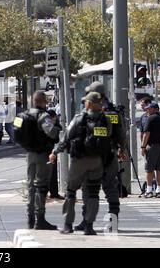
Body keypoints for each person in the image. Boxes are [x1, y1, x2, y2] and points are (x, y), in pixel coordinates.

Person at [50, 92, 112, 235]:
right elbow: (108, 137)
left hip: (79, 160)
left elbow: (66, 138)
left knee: (71, 192)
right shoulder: (105, 120)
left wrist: (55, 152)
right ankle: (89, 225)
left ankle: (68, 225)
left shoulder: (79, 119)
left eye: (85, 101)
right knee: (93, 193)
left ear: (89, 103)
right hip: (97, 160)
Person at [74, 81, 126, 232]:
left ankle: (86, 221)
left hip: (90, 157)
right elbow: (121, 135)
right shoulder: (114, 114)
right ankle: (113, 223)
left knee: (88, 189)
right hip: (109, 155)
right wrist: (122, 149)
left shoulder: (88, 112)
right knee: (111, 188)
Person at [24, 91, 61, 230]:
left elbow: (17, 132)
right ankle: (40, 219)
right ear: (43, 101)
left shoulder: (25, 115)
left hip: (30, 154)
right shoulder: (43, 116)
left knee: (31, 186)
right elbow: (51, 132)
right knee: (41, 186)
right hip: (42, 155)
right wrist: (58, 129)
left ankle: (30, 219)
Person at [139, 97, 160, 196]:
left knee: (149, 169)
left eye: (149, 108)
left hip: (152, 146)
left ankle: (149, 190)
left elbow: (146, 134)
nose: (147, 110)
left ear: (154, 109)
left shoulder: (150, 118)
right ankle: (159, 190)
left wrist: (143, 147)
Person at [46, 109, 64, 200]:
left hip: (52, 151)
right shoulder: (45, 124)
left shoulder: (56, 126)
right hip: (46, 150)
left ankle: (54, 193)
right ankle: (46, 193)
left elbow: (59, 134)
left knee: (53, 173)